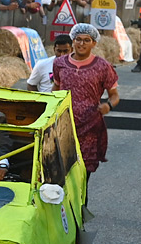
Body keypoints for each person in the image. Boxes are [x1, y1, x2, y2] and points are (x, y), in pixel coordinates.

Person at [51, 23, 120, 176]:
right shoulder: (59, 64)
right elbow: (56, 88)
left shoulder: (103, 66)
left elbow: (114, 95)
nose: (82, 44)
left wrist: (108, 106)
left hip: (89, 125)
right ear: (72, 41)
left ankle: (82, 200)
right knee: (61, 171)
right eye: (78, 39)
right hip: (64, 123)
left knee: (82, 172)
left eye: (86, 40)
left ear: (94, 43)